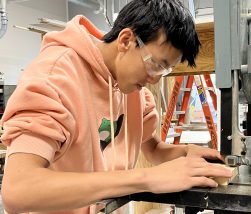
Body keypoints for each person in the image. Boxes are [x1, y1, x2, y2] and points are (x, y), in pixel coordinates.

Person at [0, 0, 232, 213]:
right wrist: (146, 178)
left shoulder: (131, 88)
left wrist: (184, 153)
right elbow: (18, 189)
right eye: (155, 65)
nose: (154, 79)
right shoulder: (55, 77)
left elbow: (151, 148)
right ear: (125, 41)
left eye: (165, 71)